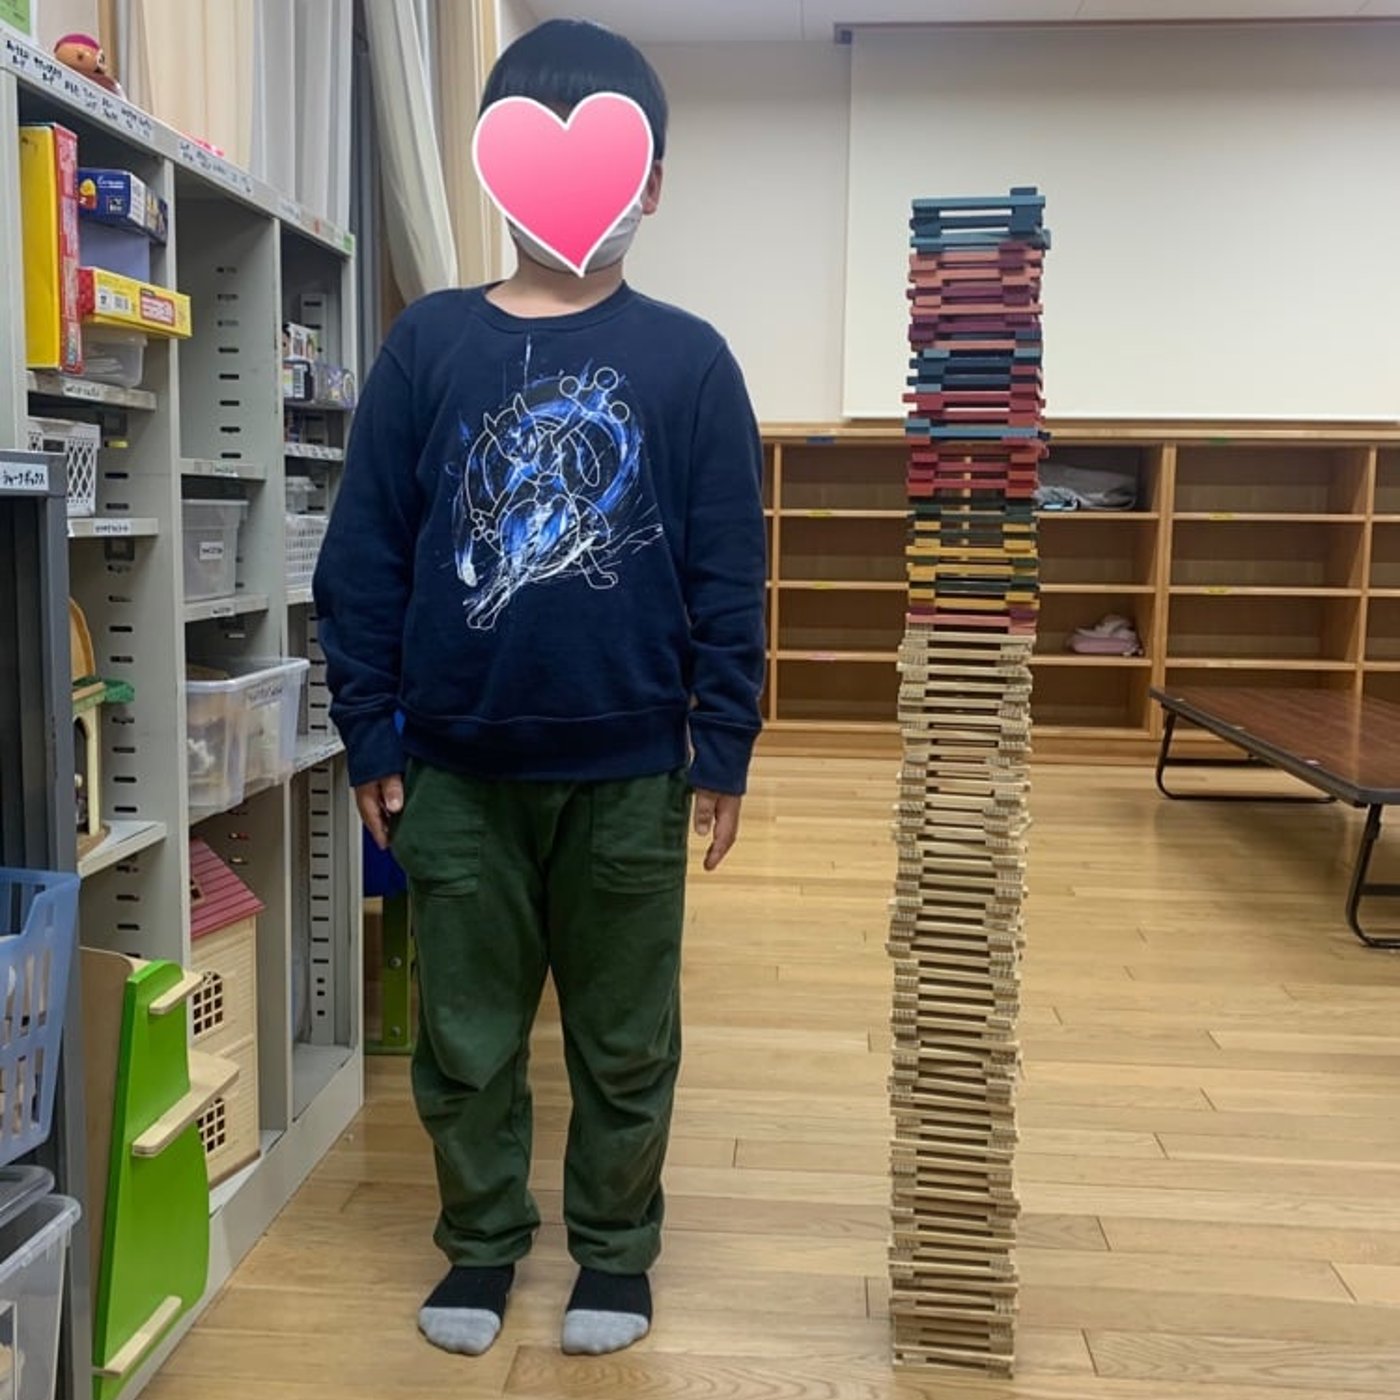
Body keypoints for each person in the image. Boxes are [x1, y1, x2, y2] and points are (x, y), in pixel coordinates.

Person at [312, 17, 766, 1362]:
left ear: (652, 185)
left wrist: (724, 744)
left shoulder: (691, 361)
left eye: (617, 167)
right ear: (493, 175)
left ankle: (615, 1254)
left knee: (626, 1037)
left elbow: (729, 570)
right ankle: (482, 1241)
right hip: (455, 771)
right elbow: (363, 557)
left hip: (632, 773)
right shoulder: (427, 347)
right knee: (465, 1034)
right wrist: (370, 731)